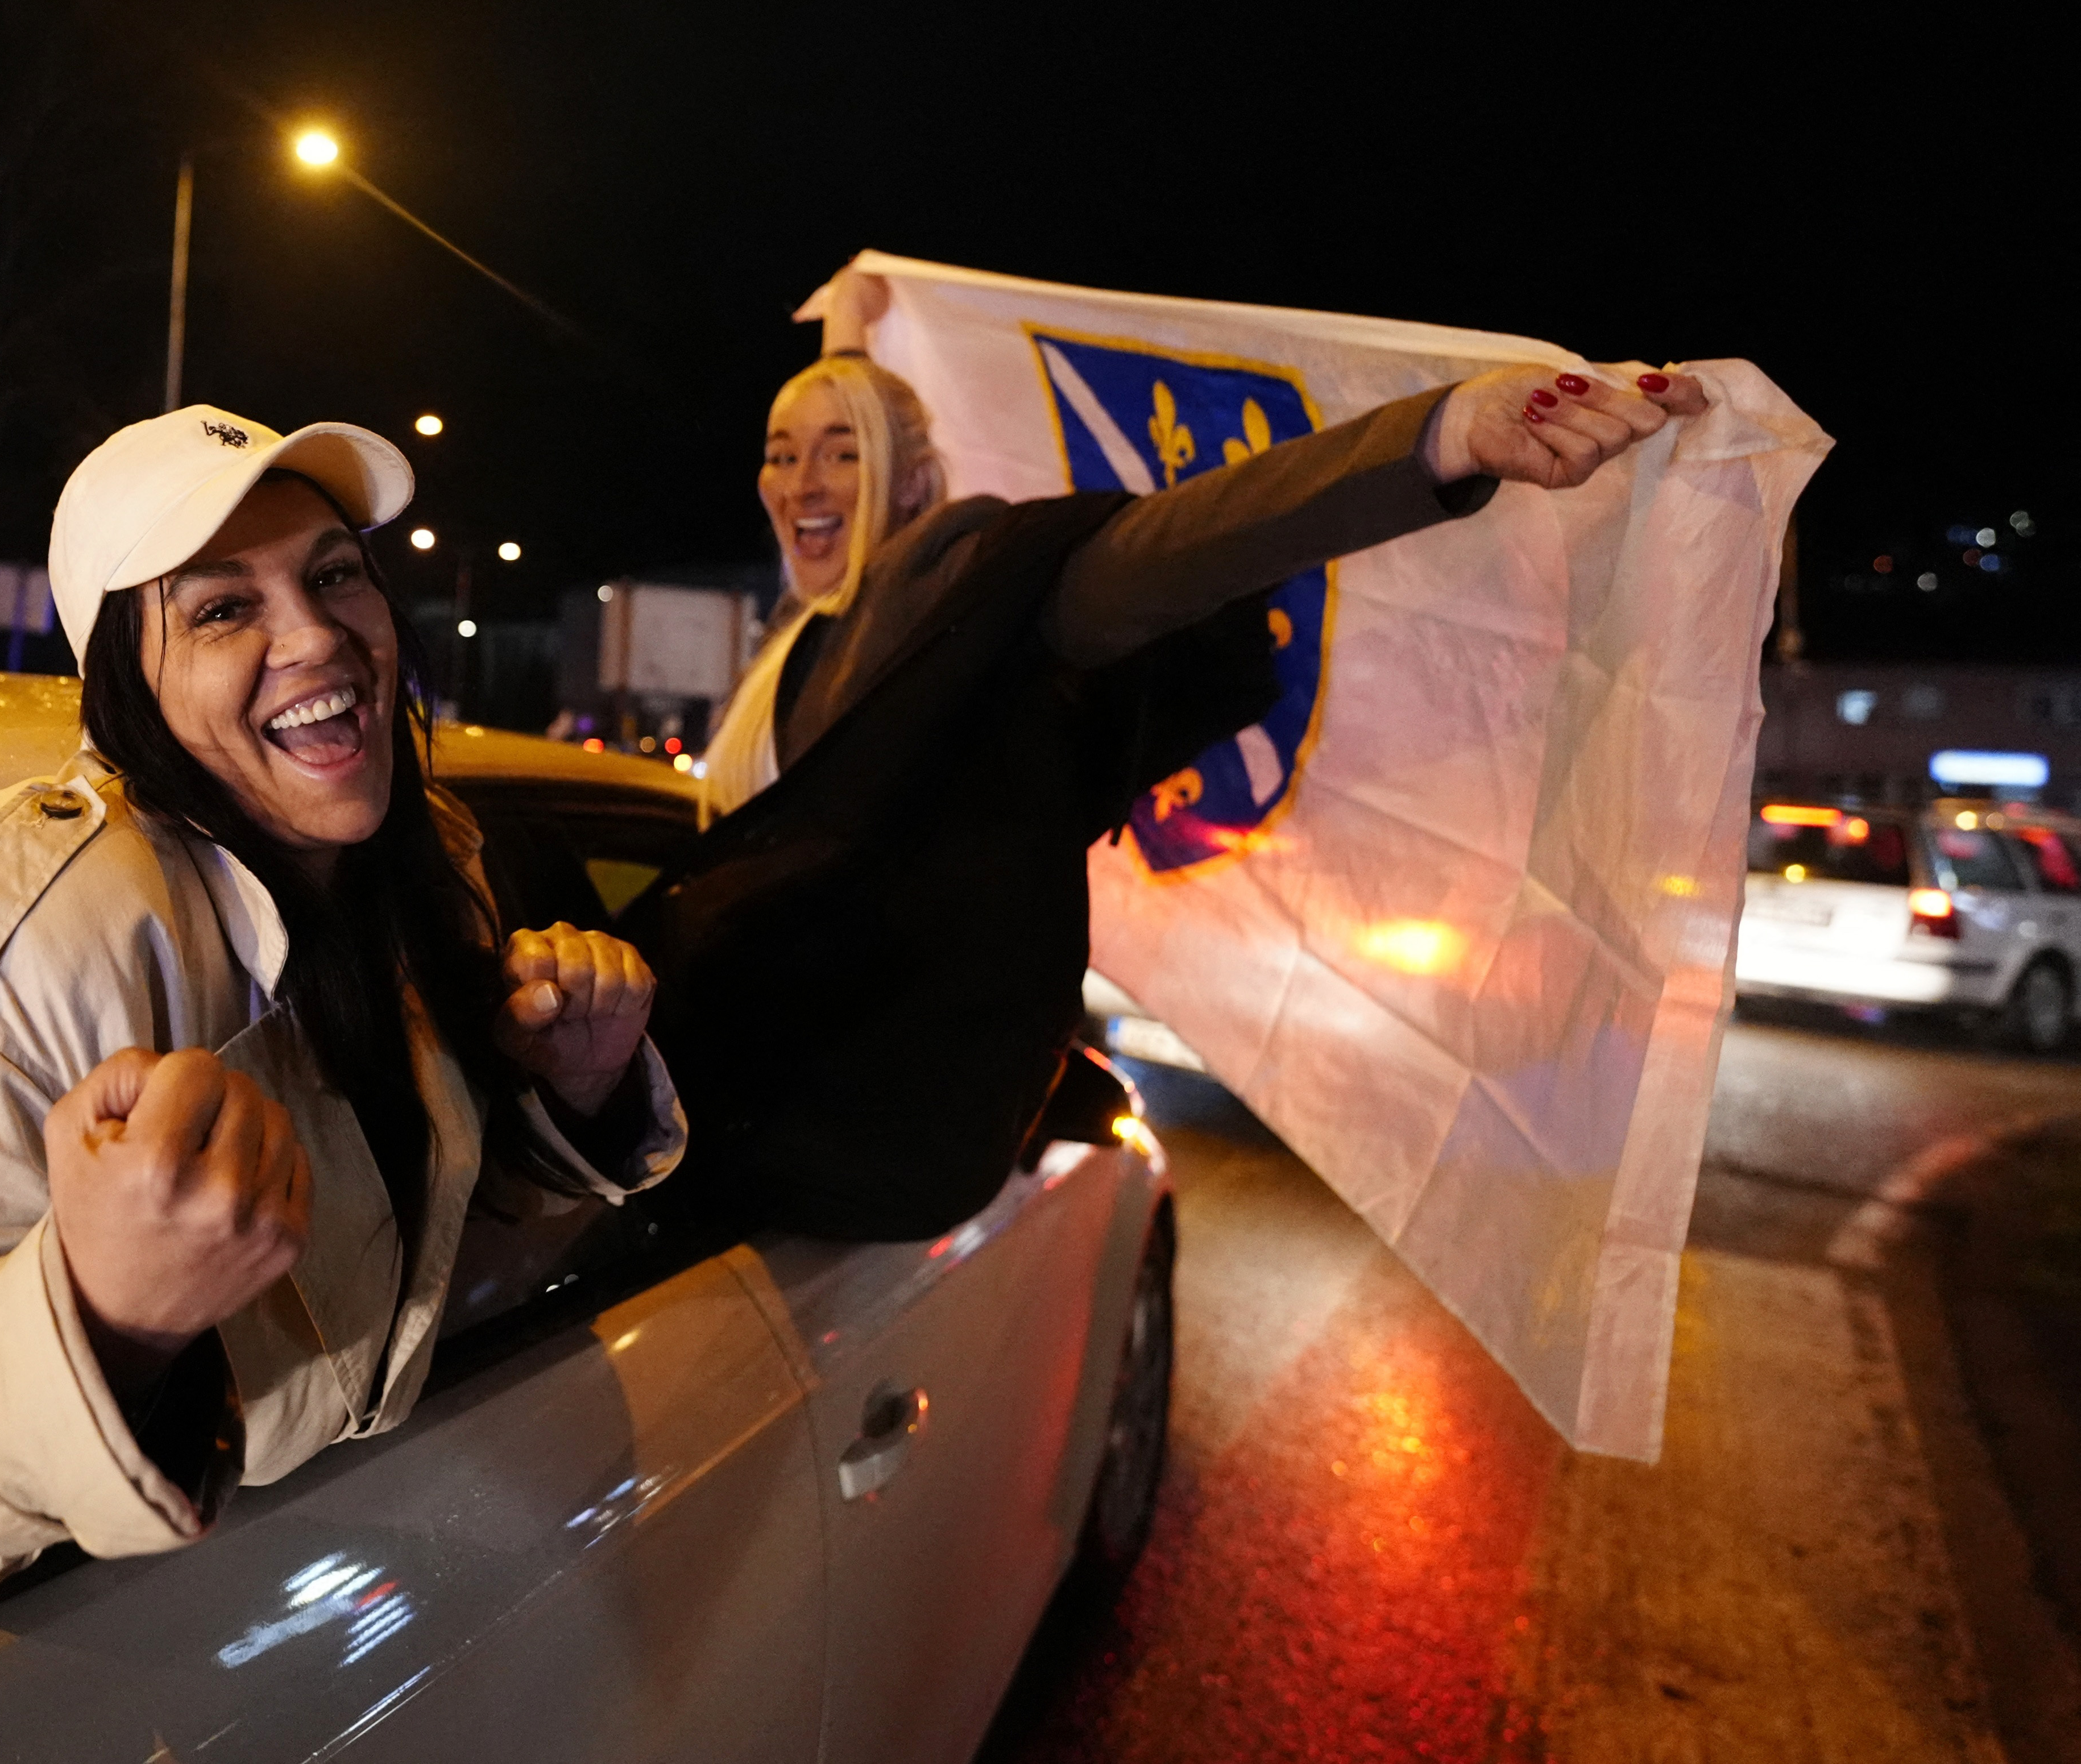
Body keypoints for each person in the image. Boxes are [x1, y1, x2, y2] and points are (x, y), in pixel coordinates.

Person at [0, 406, 683, 1626]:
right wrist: (104, 1316)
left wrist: (574, 1097)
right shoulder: (21, 941)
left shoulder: (428, 862)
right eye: (220, 607)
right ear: (122, 680)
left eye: (335, 574)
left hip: (372, 1592)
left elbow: (434, 1260)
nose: (317, 635)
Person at [630, 271, 1709, 1238]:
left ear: (917, 480)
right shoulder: (813, 626)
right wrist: (854, 338)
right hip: (730, 1086)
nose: (802, 482)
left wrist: (1438, 440)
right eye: (781, 454)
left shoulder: (963, 586)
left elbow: (1175, 546)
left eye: (841, 451)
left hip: (835, 1136)